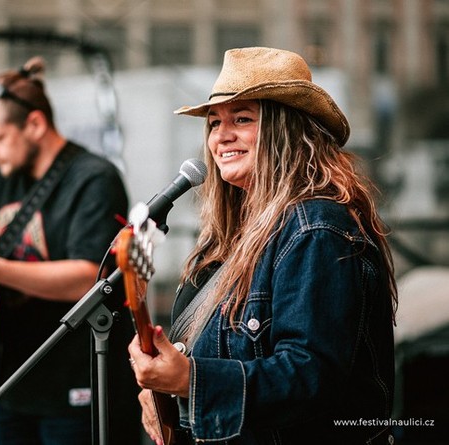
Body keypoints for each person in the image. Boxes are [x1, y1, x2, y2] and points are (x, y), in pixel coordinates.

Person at [128, 47, 398, 445]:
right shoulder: (233, 235)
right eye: (215, 123)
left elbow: (310, 376)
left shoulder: (316, 229)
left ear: (285, 130)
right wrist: (168, 392)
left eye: (242, 119)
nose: (222, 136)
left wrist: (191, 380)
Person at [0, 57, 140, 445]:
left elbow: (88, 278)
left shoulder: (93, 179)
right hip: (13, 382)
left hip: (75, 385)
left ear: (35, 125)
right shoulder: (7, 178)